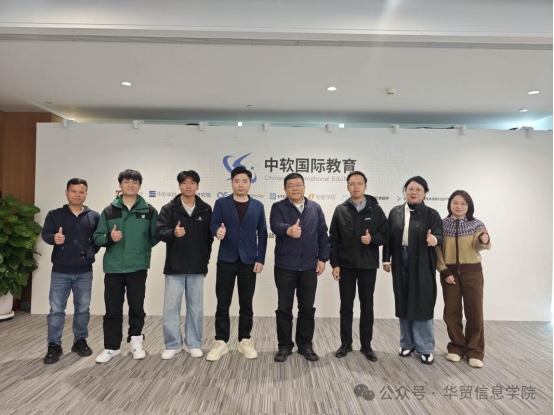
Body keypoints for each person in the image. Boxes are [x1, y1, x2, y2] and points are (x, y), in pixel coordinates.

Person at [93, 169, 159, 363]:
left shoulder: (149, 211)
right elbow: (97, 238)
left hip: (138, 267)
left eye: (135, 182)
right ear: (120, 185)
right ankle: (111, 347)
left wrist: (142, 249)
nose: (131, 185)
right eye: (127, 182)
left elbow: (155, 236)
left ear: (140, 185)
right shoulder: (109, 211)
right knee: (112, 309)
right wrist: (109, 237)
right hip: (113, 268)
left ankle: (136, 342)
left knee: (137, 307)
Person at [206, 166, 268, 361]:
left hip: (249, 261)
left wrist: (260, 259)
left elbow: (263, 234)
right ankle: (221, 341)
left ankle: (244, 340)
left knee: (246, 303)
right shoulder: (221, 203)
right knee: (222, 302)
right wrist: (217, 231)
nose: (241, 185)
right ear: (232, 183)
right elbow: (213, 223)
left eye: (244, 181)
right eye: (237, 181)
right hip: (226, 259)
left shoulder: (258, 206)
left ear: (250, 183)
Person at [382, 176, 443, 364]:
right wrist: (386, 259)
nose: (414, 192)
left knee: (422, 302)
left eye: (418, 189)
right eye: (410, 189)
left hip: (423, 261)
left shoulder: (432, 214)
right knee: (403, 300)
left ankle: (425, 347)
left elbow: (440, 235)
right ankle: (406, 343)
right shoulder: (395, 212)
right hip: (400, 259)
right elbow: (388, 237)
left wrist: (434, 239)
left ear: (425, 193)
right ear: (405, 191)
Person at [329, 171, 389, 362]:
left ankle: (366, 345)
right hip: (345, 265)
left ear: (365, 186)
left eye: (359, 183)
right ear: (347, 186)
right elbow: (333, 239)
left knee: (367, 306)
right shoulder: (340, 210)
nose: (356, 187)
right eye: (352, 183)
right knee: (346, 306)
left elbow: (386, 235)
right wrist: (335, 264)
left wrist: (372, 239)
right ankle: (345, 344)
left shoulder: (375, 210)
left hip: (367, 265)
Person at [270, 172, 330, 362]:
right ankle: (284, 346)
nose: (295, 188)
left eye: (298, 184)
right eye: (290, 185)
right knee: (284, 308)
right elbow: (275, 225)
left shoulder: (315, 208)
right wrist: (288, 230)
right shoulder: (278, 207)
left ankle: (305, 345)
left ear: (304, 187)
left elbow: (323, 234)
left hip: (309, 267)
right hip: (285, 266)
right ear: (285, 189)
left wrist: (323, 259)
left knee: (307, 308)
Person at [41, 178, 100, 364]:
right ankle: (54, 344)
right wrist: (54, 238)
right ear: (66, 193)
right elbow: (45, 234)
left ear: (86, 194)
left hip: (84, 271)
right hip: (60, 271)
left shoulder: (94, 216)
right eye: (73, 191)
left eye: (81, 192)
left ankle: (80, 340)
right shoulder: (55, 215)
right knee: (56, 310)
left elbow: (97, 240)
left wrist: (89, 253)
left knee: (82, 309)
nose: (77, 195)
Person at [156, 170, 213, 360]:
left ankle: (193, 343)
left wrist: (205, 262)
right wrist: (173, 233)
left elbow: (208, 239)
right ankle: (173, 344)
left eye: (192, 183)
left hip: (197, 267)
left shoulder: (205, 209)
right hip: (175, 266)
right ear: (179, 185)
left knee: (195, 308)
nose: (188, 186)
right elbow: (159, 232)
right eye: (184, 183)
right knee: (171, 308)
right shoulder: (169, 208)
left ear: (198, 186)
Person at [436, 190, 491, 368]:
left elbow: (479, 245)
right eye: (455, 203)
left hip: (473, 274)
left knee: (475, 312)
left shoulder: (476, 224)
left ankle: (474, 351)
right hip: (449, 274)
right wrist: (444, 271)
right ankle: (456, 347)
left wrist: (484, 240)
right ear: (450, 204)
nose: (458, 206)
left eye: (463, 203)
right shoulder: (442, 224)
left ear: (469, 206)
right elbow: (437, 250)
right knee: (451, 312)